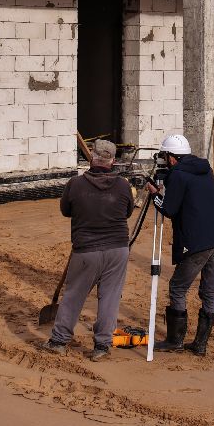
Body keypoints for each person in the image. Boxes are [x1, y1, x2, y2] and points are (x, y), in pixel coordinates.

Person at [44, 139, 134, 361]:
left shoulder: (75, 184)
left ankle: (58, 341)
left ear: (92, 157)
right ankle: (102, 346)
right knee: (110, 298)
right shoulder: (123, 185)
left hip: (86, 250)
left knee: (74, 295)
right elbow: (128, 212)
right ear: (112, 160)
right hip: (117, 248)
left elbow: (66, 210)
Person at [146, 134, 214, 356]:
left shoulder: (179, 176)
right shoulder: (204, 170)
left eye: (165, 157)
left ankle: (175, 340)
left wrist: (155, 195)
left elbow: (169, 210)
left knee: (177, 287)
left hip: (197, 242)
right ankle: (201, 344)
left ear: (172, 158)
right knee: (208, 292)